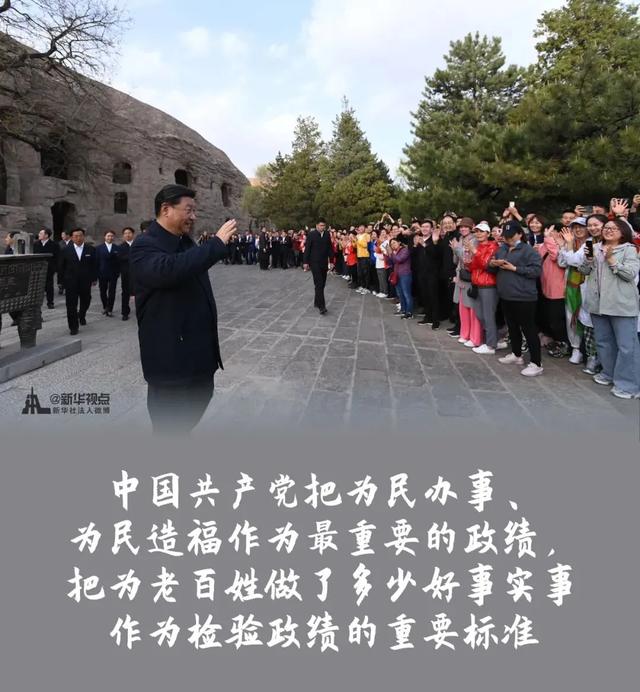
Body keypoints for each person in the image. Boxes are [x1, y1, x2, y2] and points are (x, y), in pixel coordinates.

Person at [130, 184, 237, 435]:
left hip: (199, 360)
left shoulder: (186, 243)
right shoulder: (144, 245)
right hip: (171, 365)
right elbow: (170, 270)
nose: (194, 216)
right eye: (188, 210)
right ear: (166, 209)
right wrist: (216, 244)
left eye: (194, 211)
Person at [579, 217, 640, 399]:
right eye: (606, 227)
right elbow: (584, 271)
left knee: (627, 346)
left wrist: (611, 259)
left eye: (613, 228)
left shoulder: (629, 249)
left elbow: (630, 274)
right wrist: (588, 260)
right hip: (598, 304)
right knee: (603, 342)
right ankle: (609, 373)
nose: (608, 230)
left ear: (623, 232)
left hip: (621, 304)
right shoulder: (595, 247)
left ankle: (629, 385)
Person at [489, 221, 543, 376]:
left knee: (528, 329)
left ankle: (536, 363)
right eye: (506, 236)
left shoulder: (528, 250)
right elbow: (490, 268)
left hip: (524, 296)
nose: (508, 239)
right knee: (512, 326)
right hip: (506, 294)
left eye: (511, 236)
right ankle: (516, 354)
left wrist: (515, 268)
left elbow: (536, 271)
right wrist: (493, 263)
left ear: (519, 234)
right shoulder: (502, 249)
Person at [58, 228, 97, 335]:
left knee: (86, 300)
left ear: (83, 236)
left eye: (80, 236)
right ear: (71, 237)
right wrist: (60, 281)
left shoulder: (90, 249)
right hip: (70, 281)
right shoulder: (65, 250)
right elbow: (61, 266)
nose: (78, 238)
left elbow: (94, 265)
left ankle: (82, 314)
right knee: (71, 305)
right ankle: (73, 327)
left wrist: (94, 278)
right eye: (76, 236)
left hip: (85, 280)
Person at [303, 218, 332, 314]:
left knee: (322, 284)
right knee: (319, 283)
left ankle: (317, 301)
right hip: (314, 262)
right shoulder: (311, 234)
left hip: (324, 262)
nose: (322, 227)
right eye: (321, 225)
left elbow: (330, 248)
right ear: (317, 226)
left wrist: (332, 261)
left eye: (324, 226)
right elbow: (307, 249)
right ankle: (322, 306)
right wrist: (305, 262)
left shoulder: (327, 234)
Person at [96, 230, 120, 317]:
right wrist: (96, 273)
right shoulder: (99, 248)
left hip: (113, 273)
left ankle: (110, 309)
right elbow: (96, 261)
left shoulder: (117, 248)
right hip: (102, 273)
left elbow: (119, 262)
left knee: (112, 292)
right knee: (103, 291)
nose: (110, 237)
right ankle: (105, 306)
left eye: (111, 236)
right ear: (104, 237)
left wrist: (118, 272)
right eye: (108, 236)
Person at [33, 228, 59, 308]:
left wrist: (55, 268)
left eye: (41, 233)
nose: (39, 235)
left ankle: (50, 302)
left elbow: (57, 257)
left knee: (49, 286)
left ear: (46, 235)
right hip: (38, 269)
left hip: (49, 268)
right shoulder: (36, 244)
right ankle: (36, 303)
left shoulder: (54, 245)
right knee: (37, 286)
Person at [118, 227, 135, 321]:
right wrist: (132, 256)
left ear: (133, 234)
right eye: (125, 233)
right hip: (126, 273)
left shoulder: (137, 245)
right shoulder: (121, 247)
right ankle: (125, 312)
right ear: (123, 235)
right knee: (125, 293)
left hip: (138, 272)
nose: (127, 235)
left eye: (129, 233)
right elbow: (120, 258)